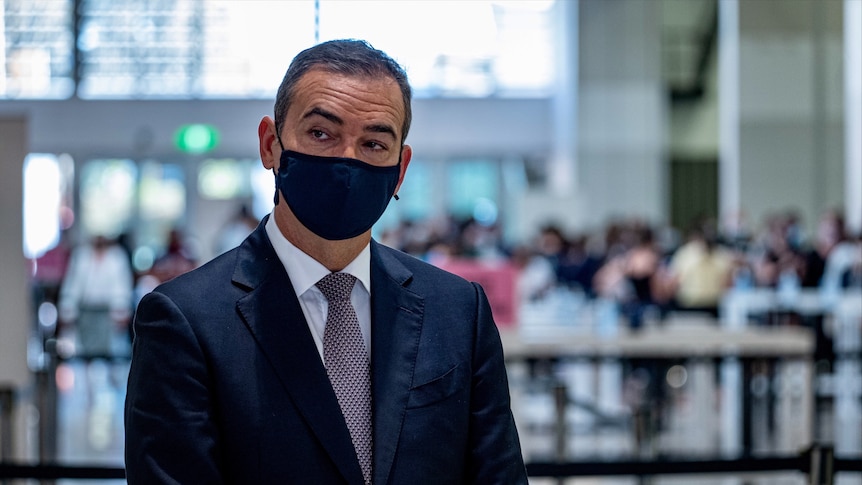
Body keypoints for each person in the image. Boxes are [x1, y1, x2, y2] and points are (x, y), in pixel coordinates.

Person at [124, 39, 527, 484]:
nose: (347, 160)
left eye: (374, 143)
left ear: (400, 169)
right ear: (270, 145)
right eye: (321, 134)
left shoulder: (457, 311)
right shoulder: (186, 320)